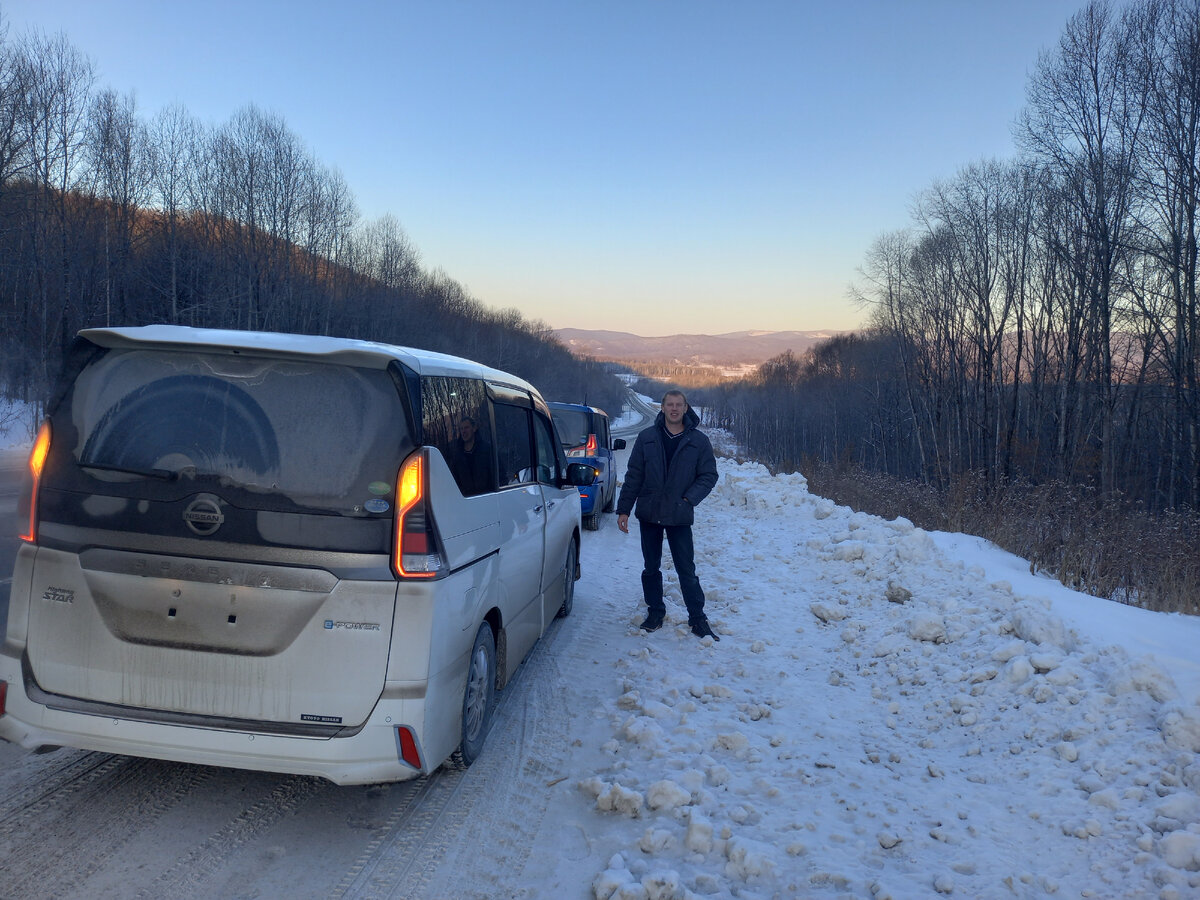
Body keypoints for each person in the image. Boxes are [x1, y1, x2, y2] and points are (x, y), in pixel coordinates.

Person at [616, 390, 719, 639]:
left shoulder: (698, 441)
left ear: (685, 408)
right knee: (651, 568)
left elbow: (709, 476)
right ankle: (655, 612)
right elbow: (634, 476)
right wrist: (624, 509)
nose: (674, 409)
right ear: (662, 408)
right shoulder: (647, 438)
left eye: (678, 405)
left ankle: (697, 619)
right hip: (650, 512)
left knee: (686, 569)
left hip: (679, 514)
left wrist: (688, 499)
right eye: (669, 404)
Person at [447, 416, 492, 496]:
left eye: (466, 427)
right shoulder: (457, 455)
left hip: (486, 498)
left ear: (474, 429)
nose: (463, 431)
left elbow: (500, 475)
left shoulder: (486, 450)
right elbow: (453, 479)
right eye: (461, 429)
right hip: (465, 501)